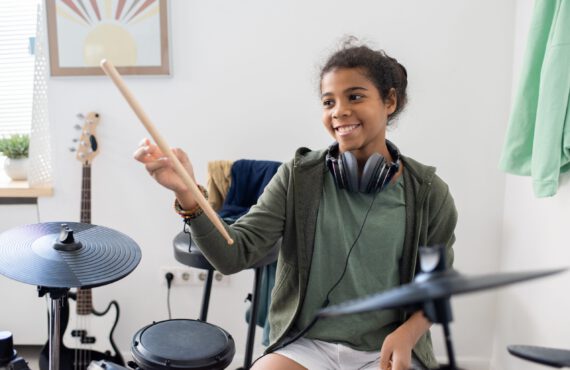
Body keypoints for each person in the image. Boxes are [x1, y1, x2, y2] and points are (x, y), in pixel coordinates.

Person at [134, 39, 457, 370]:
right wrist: (187, 194)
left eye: (355, 96)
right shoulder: (299, 177)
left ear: (389, 100)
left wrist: (407, 334)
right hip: (307, 345)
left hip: (387, 349)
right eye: (328, 102)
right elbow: (233, 256)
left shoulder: (428, 193)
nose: (339, 111)